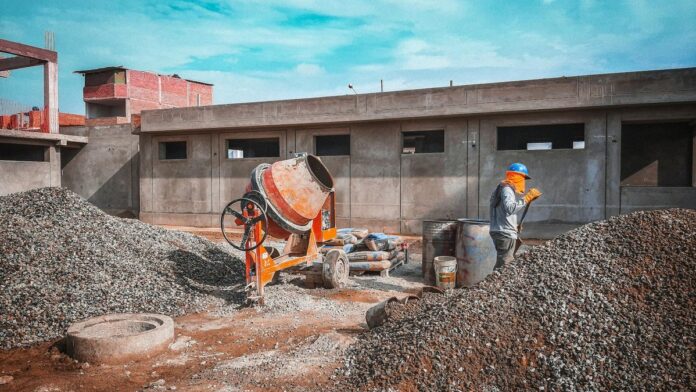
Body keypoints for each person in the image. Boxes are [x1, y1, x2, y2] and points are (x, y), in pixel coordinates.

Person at [489, 163, 542, 269]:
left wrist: (514, 224)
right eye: (523, 178)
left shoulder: (501, 188)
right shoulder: (507, 189)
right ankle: (497, 284)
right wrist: (527, 198)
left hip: (501, 230)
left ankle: (494, 283)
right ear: (517, 176)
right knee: (505, 265)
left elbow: (502, 211)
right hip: (505, 233)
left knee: (503, 262)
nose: (523, 182)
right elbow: (510, 208)